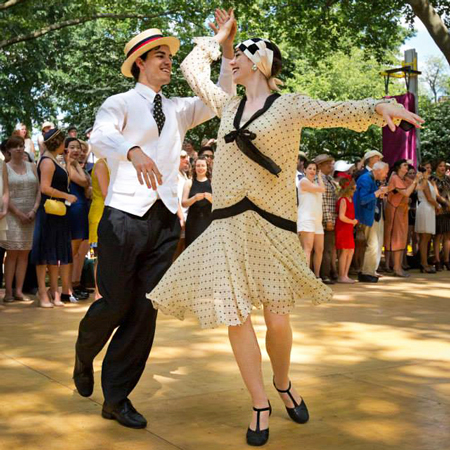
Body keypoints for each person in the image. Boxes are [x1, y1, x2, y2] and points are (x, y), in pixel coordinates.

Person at [148, 9, 423, 447]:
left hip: (273, 227)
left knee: (277, 320)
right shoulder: (226, 104)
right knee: (235, 317)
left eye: (238, 55)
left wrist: (378, 106)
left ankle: (281, 381)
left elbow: (334, 110)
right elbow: (190, 67)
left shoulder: (289, 104)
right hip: (227, 227)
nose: (230, 60)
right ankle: (259, 401)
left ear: (259, 63)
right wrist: (219, 38)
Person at [73, 22, 235, 429]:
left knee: (145, 311)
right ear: (140, 63)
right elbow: (100, 136)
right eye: (160, 55)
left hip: (165, 220)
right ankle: (84, 348)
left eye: (170, 55)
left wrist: (226, 48)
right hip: (123, 216)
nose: (168, 61)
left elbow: (223, 98)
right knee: (115, 303)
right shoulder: (120, 102)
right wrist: (132, 149)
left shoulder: (180, 107)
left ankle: (117, 398)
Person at [30, 129, 78, 308]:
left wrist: (67, 162)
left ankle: (54, 292)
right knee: (44, 253)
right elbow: (45, 188)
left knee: (55, 253)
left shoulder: (55, 160)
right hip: (49, 213)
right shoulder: (47, 162)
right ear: (57, 143)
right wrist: (66, 196)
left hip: (58, 214)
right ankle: (42, 292)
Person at [0, 136, 40, 302]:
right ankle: (8, 291)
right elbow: (4, 193)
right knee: (12, 254)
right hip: (12, 214)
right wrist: (18, 213)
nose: (19, 149)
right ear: (8, 149)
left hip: (31, 215)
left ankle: (18, 290)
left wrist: (34, 210)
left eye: (21, 146)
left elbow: (39, 190)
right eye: (15, 146)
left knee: (24, 254)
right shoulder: (5, 167)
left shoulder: (32, 166)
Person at [384, 159, 421, 277]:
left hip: (403, 210)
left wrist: (423, 176)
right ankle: (396, 267)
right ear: (398, 168)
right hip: (395, 210)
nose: (407, 167)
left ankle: (398, 267)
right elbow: (406, 193)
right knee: (397, 238)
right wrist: (415, 181)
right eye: (405, 165)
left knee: (402, 239)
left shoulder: (404, 179)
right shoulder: (395, 178)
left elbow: (420, 188)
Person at [64, 137, 91, 301]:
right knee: (71, 250)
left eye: (78, 148)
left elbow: (87, 186)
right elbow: (83, 181)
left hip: (82, 208)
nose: (76, 151)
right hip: (73, 209)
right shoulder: (68, 166)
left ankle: (75, 283)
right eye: (72, 147)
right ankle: (67, 287)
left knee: (80, 249)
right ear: (65, 149)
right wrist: (74, 164)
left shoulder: (76, 165)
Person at [296, 161, 325, 278]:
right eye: (310, 168)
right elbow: (323, 189)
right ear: (304, 170)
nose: (312, 171)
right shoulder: (303, 182)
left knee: (319, 249)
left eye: (314, 169)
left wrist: (319, 178)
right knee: (307, 249)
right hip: (306, 219)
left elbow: (321, 189)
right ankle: (306, 277)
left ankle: (317, 276)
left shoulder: (316, 185)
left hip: (317, 221)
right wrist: (319, 177)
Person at [88, 157, 110, 299]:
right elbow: (105, 193)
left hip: (107, 213)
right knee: (100, 256)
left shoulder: (111, 163)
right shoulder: (102, 164)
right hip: (100, 213)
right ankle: (99, 293)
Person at [315, 154, 337, 284]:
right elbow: (322, 200)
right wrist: (328, 219)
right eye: (327, 163)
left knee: (329, 248)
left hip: (331, 218)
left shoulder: (329, 179)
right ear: (320, 166)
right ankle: (324, 275)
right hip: (323, 220)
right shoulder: (319, 180)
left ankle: (329, 272)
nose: (330, 165)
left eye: (331, 163)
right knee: (325, 249)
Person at [182, 156, 213, 247]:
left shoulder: (212, 182)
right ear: (194, 167)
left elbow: (219, 203)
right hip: (193, 222)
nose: (200, 168)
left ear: (207, 167)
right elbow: (183, 203)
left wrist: (210, 198)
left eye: (203, 165)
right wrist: (194, 198)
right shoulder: (189, 182)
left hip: (208, 220)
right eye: (198, 166)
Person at [415, 165, 439, 273]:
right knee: (424, 237)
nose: (429, 170)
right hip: (426, 208)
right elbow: (429, 198)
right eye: (426, 168)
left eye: (430, 167)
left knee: (427, 237)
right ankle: (423, 263)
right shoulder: (423, 182)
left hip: (429, 209)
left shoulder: (428, 181)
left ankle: (424, 262)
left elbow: (434, 196)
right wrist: (438, 206)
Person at [335, 178, 357, 283]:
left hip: (348, 228)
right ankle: (341, 275)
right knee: (344, 251)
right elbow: (341, 216)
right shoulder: (343, 199)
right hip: (343, 228)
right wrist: (352, 221)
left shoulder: (350, 199)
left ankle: (345, 274)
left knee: (351, 250)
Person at [430, 159, 450, 271]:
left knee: (448, 235)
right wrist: (445, 203)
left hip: (449, 209)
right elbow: (436, 195)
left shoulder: (448, 179)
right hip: (438, 209)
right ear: (436, 167)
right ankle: (437, 260)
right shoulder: (432, 179)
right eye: (440, 166)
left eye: (444, 166)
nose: (443, 168)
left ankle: (446, 260)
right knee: (438, 236)